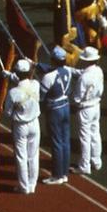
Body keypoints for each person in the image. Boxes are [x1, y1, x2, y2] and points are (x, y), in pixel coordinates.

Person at [39, 46, 78, 185]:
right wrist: (35, 64)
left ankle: (57, 174)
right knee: (65, 141)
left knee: (56, 142)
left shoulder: (48, 77)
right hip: (65, 107)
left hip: (54, 110)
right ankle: (64, 172)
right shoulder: (68, 70)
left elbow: (41, 97)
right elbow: (51, 69)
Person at [6, 59, 40, 194]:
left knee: (21, 156)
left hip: (20, 126)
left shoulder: (13, 92)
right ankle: (32, 184)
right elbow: (26, 79)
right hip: (35, 124)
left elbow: (8, 112)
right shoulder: (35, 84)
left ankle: (24, 186)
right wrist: (10, 76)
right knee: (33, 155)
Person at [70, 47, 104, 175]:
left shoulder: (84, 78)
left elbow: (77, 97)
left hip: (85, 109)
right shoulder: (98, 71)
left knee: (85, 137)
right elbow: (81, 72)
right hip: (96, 106)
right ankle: (96, 161)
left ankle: (85, 165)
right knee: (95, 133)